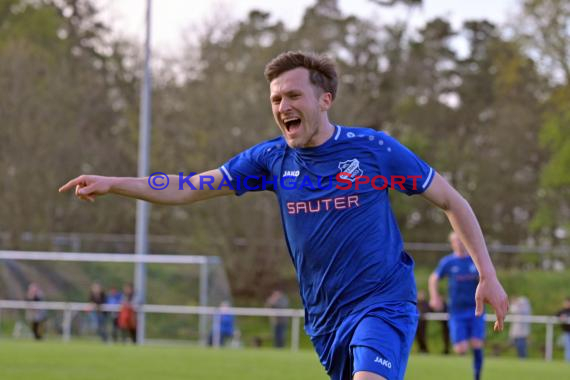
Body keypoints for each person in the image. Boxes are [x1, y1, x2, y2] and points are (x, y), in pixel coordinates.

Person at [59, 51, 509, 380]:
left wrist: (486, 272)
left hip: (384, 302)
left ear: (325, 99)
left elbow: (453, 202)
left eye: (293, 95)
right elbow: (188, 187)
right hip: (324, 317)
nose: (281, 107)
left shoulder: (374, 151)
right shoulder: (271, 160)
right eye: (275, 99)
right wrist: (115, 183)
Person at [429, 232, 486, 380]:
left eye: (462, 240)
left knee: (476, 343)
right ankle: (463, 336)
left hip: (476, 310)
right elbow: (433, 278)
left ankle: (477, 375)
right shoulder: (448, 262)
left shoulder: (475, 260)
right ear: (452, 243)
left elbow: (487, 279)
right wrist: (435, 297)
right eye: (456, 241)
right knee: (460, 349)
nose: (460, 243)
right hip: (456, 311)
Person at [415, 290, 430, 354]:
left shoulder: (426, 304)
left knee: (423, 336)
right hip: (416, 323)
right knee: (418, 337)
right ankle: (421, 349)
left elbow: (428, 310)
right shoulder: (416, 303)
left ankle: (425, 349)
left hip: (423, 323)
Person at [556, 297, 570, 362]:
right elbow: (556, 315)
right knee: (567, 346)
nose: (566, 304)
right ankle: (567, 360)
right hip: (567, 332)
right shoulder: (562, 311)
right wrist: (560, 317)